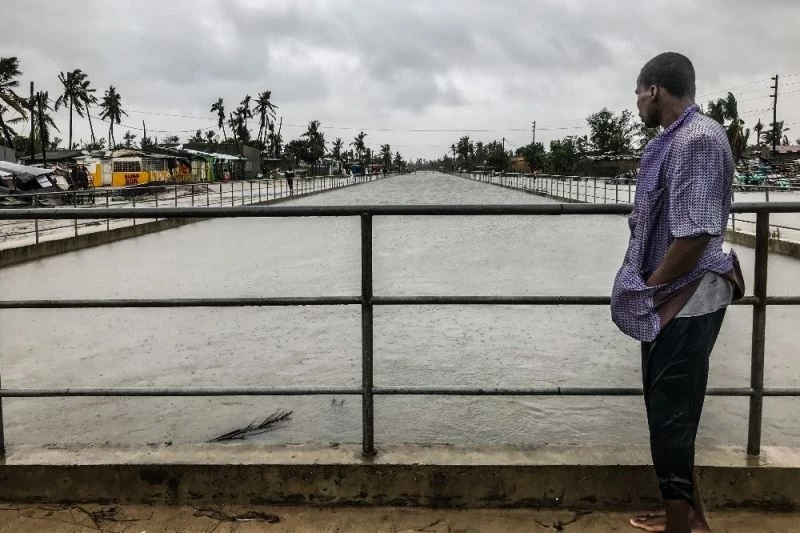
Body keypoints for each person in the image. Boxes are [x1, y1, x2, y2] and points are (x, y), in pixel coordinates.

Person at [610, 52, 744, 533]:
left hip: (687, 296)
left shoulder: (697, 140)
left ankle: (680, 527)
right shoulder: (679, 138)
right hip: (678, 293)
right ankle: (689, 516)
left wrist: (647, 292)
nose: (636, 104)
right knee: (670, 410)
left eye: (637, 94)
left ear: (654, 91)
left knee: (670, 415)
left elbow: (696, 234)